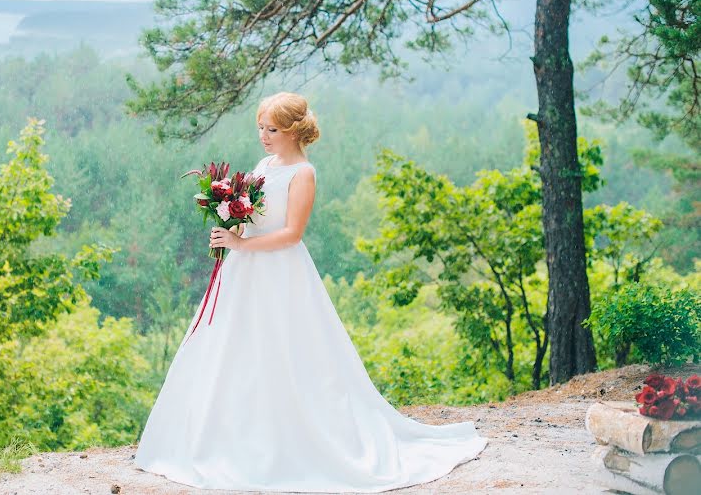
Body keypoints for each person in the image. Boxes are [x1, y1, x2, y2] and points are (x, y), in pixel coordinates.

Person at [134, 92, 487, 492]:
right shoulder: (264, 165)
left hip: (281, 272)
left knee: (287, 353)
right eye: (260, 129)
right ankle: (224, 439)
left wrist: (241, 244)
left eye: (272, 130)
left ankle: (292, 442)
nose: (264, 137)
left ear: (292, 131)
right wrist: (232, 225)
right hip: (244, 270)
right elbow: (254, 217)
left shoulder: (303, 173)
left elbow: (291, 233)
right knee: (231, 351)